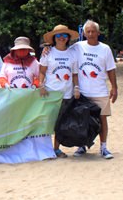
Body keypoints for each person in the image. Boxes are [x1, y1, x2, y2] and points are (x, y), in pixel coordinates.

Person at [69, 20, 118, 159]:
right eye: (88, 32)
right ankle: (81, 146)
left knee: (102, 119)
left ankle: (103, 147)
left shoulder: (105, 49)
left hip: (100, 91)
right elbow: (62, 51)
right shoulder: (77, 47)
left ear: (98, 32)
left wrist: (114, 87)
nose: (90, 34)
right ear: (84, 33)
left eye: (93, 31)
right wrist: (48, 48)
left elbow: (111, 69)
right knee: (82, 120)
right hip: (83, 92)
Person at [39, 25, 80, 158]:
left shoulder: (72, 53)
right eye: (58, 35)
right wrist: (41, 85)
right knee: (47, 123)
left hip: (66, 94)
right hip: (50, 93)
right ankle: (45, 150)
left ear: (68, 38)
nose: (61, 38)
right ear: (54, 38)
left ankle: (56, 149)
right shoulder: (48, 52)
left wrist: (76, 88)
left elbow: (74, 74)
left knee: (60, 123)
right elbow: (42, 71)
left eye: (64, 35)